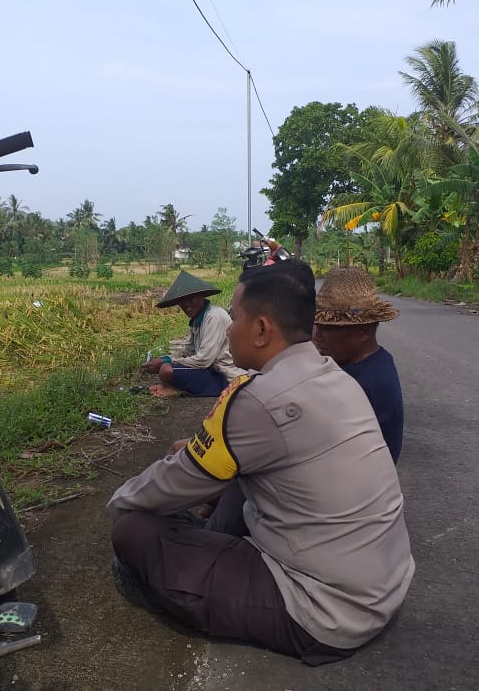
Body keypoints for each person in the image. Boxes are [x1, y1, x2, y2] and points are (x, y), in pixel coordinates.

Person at [109, 261, 414, 664]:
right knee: (228, 479)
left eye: (235, 318)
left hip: (325, 612)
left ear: (262, 329)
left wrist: (118, 503)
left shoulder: (260, 398)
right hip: (381, 585)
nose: (229, 329)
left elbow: (172, 482)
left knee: (132, 531)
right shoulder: (338, 376)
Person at [311, 266, 404, 463]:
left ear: (363, 332)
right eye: (317, 326)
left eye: (327, 329)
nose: (317, 336)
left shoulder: (366, 382)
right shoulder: (374, 363)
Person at [141, 270, 246, 398]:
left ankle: (182, 388)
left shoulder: (214, 317)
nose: (186, 304)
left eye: (191, 298)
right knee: (166, 368)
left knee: (166, 370)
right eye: (182, 301)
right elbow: (190, 350)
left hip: (225, 375)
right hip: (213, 371)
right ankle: (178, 388)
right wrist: (165, 358)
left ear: (201, 296)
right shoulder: (198, 319)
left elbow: (204, 360)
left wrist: (168, 361)